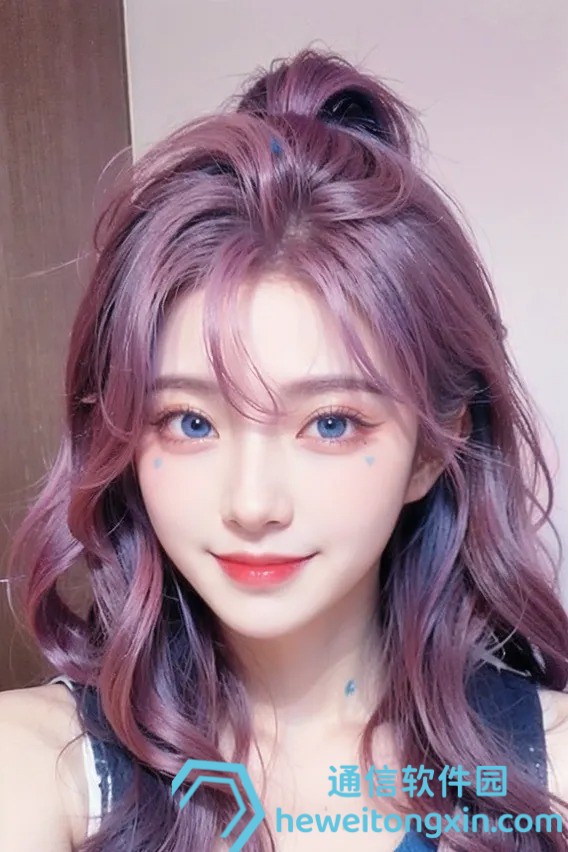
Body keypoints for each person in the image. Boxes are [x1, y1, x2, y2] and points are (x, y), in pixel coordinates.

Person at [1, 46, 568, 852]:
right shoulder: (38, 768)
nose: (252, 504)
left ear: (433, 450)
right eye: (189, 422)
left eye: (331, 423)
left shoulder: (549, 774)